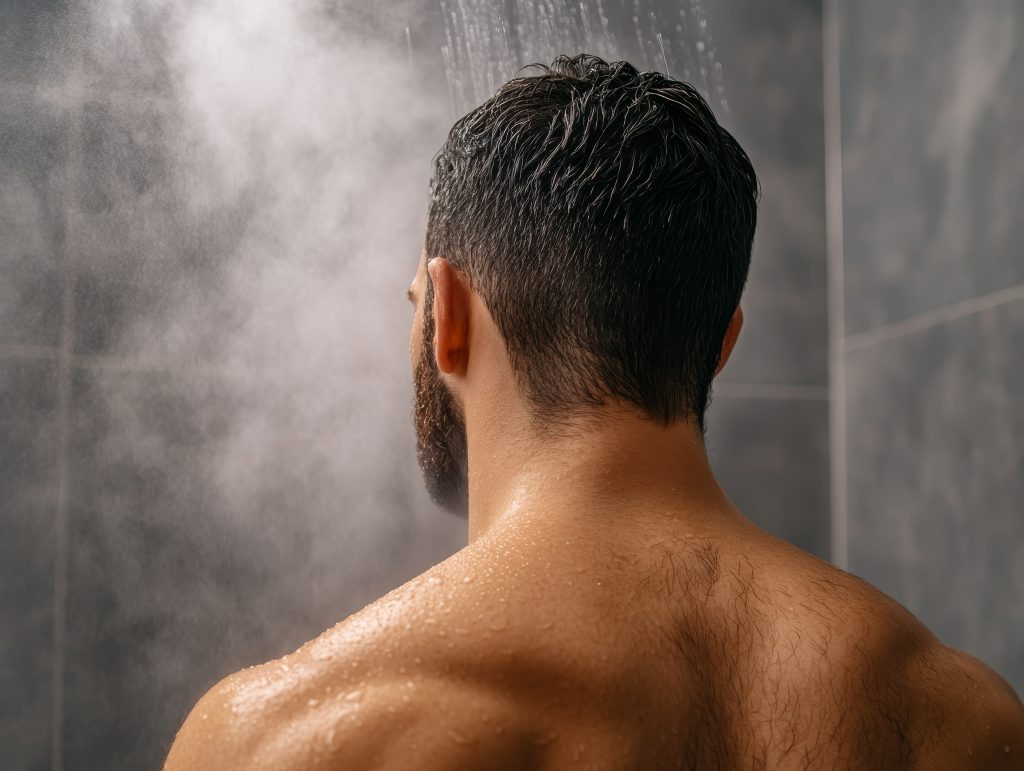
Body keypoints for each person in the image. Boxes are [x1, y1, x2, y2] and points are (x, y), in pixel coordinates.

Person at [164, 54, 1023, 770]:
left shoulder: (282, 737)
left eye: (415, 300)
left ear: (448, 318)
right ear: (722, 342)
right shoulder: (958, 713)